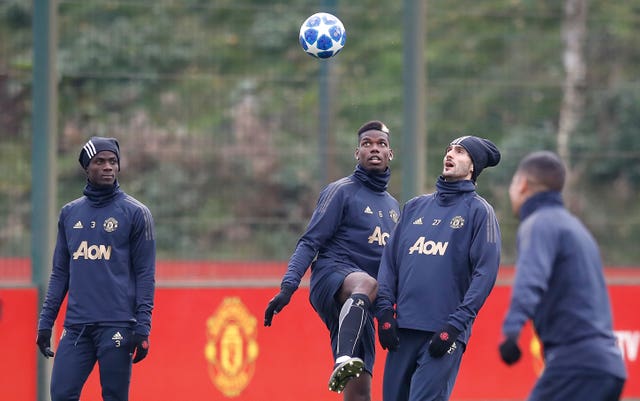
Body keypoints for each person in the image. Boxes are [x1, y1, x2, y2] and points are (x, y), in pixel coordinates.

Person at [264, 120, 400, 400]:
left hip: (364, 303)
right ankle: (343, 357)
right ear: (357, 153)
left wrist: (386, 315)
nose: (374, 149)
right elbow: (309, 241)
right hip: (333, 278)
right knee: (366, 283)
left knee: (360, 392)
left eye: (381, 144)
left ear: (390, 154)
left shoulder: (394, 206)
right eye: (367, 144)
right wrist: (288, 287)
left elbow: (391, 267)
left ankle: (346, 360)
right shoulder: (341, 191)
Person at [376, 135, 501, 401]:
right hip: (403, 330)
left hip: (443, 334)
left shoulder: (480, 212)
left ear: (472, 167)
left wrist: (455, 326)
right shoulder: (414, 207)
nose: (450, 154)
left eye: (460, 151)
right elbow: (389, 263)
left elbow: (485, 274)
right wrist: (385, 312)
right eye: (449, 149)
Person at [498, 150, 626, 401]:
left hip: (576, 365)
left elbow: (530, 280)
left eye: (513, 183)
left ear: (522, 185)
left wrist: (512, 331)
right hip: (608, 366)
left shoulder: (539, 224)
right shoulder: (576, 228)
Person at [36, 137, 156, 401]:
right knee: (61, 394)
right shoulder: (69, 214)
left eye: (113, 161)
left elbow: (146, 275)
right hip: (77, 326)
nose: (108, 167)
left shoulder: (137, 213)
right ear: (86, 167)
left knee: (114, 396)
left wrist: (143, 327)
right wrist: (46, 323)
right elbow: (60, 273)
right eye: (99, 162)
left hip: (117, 326)